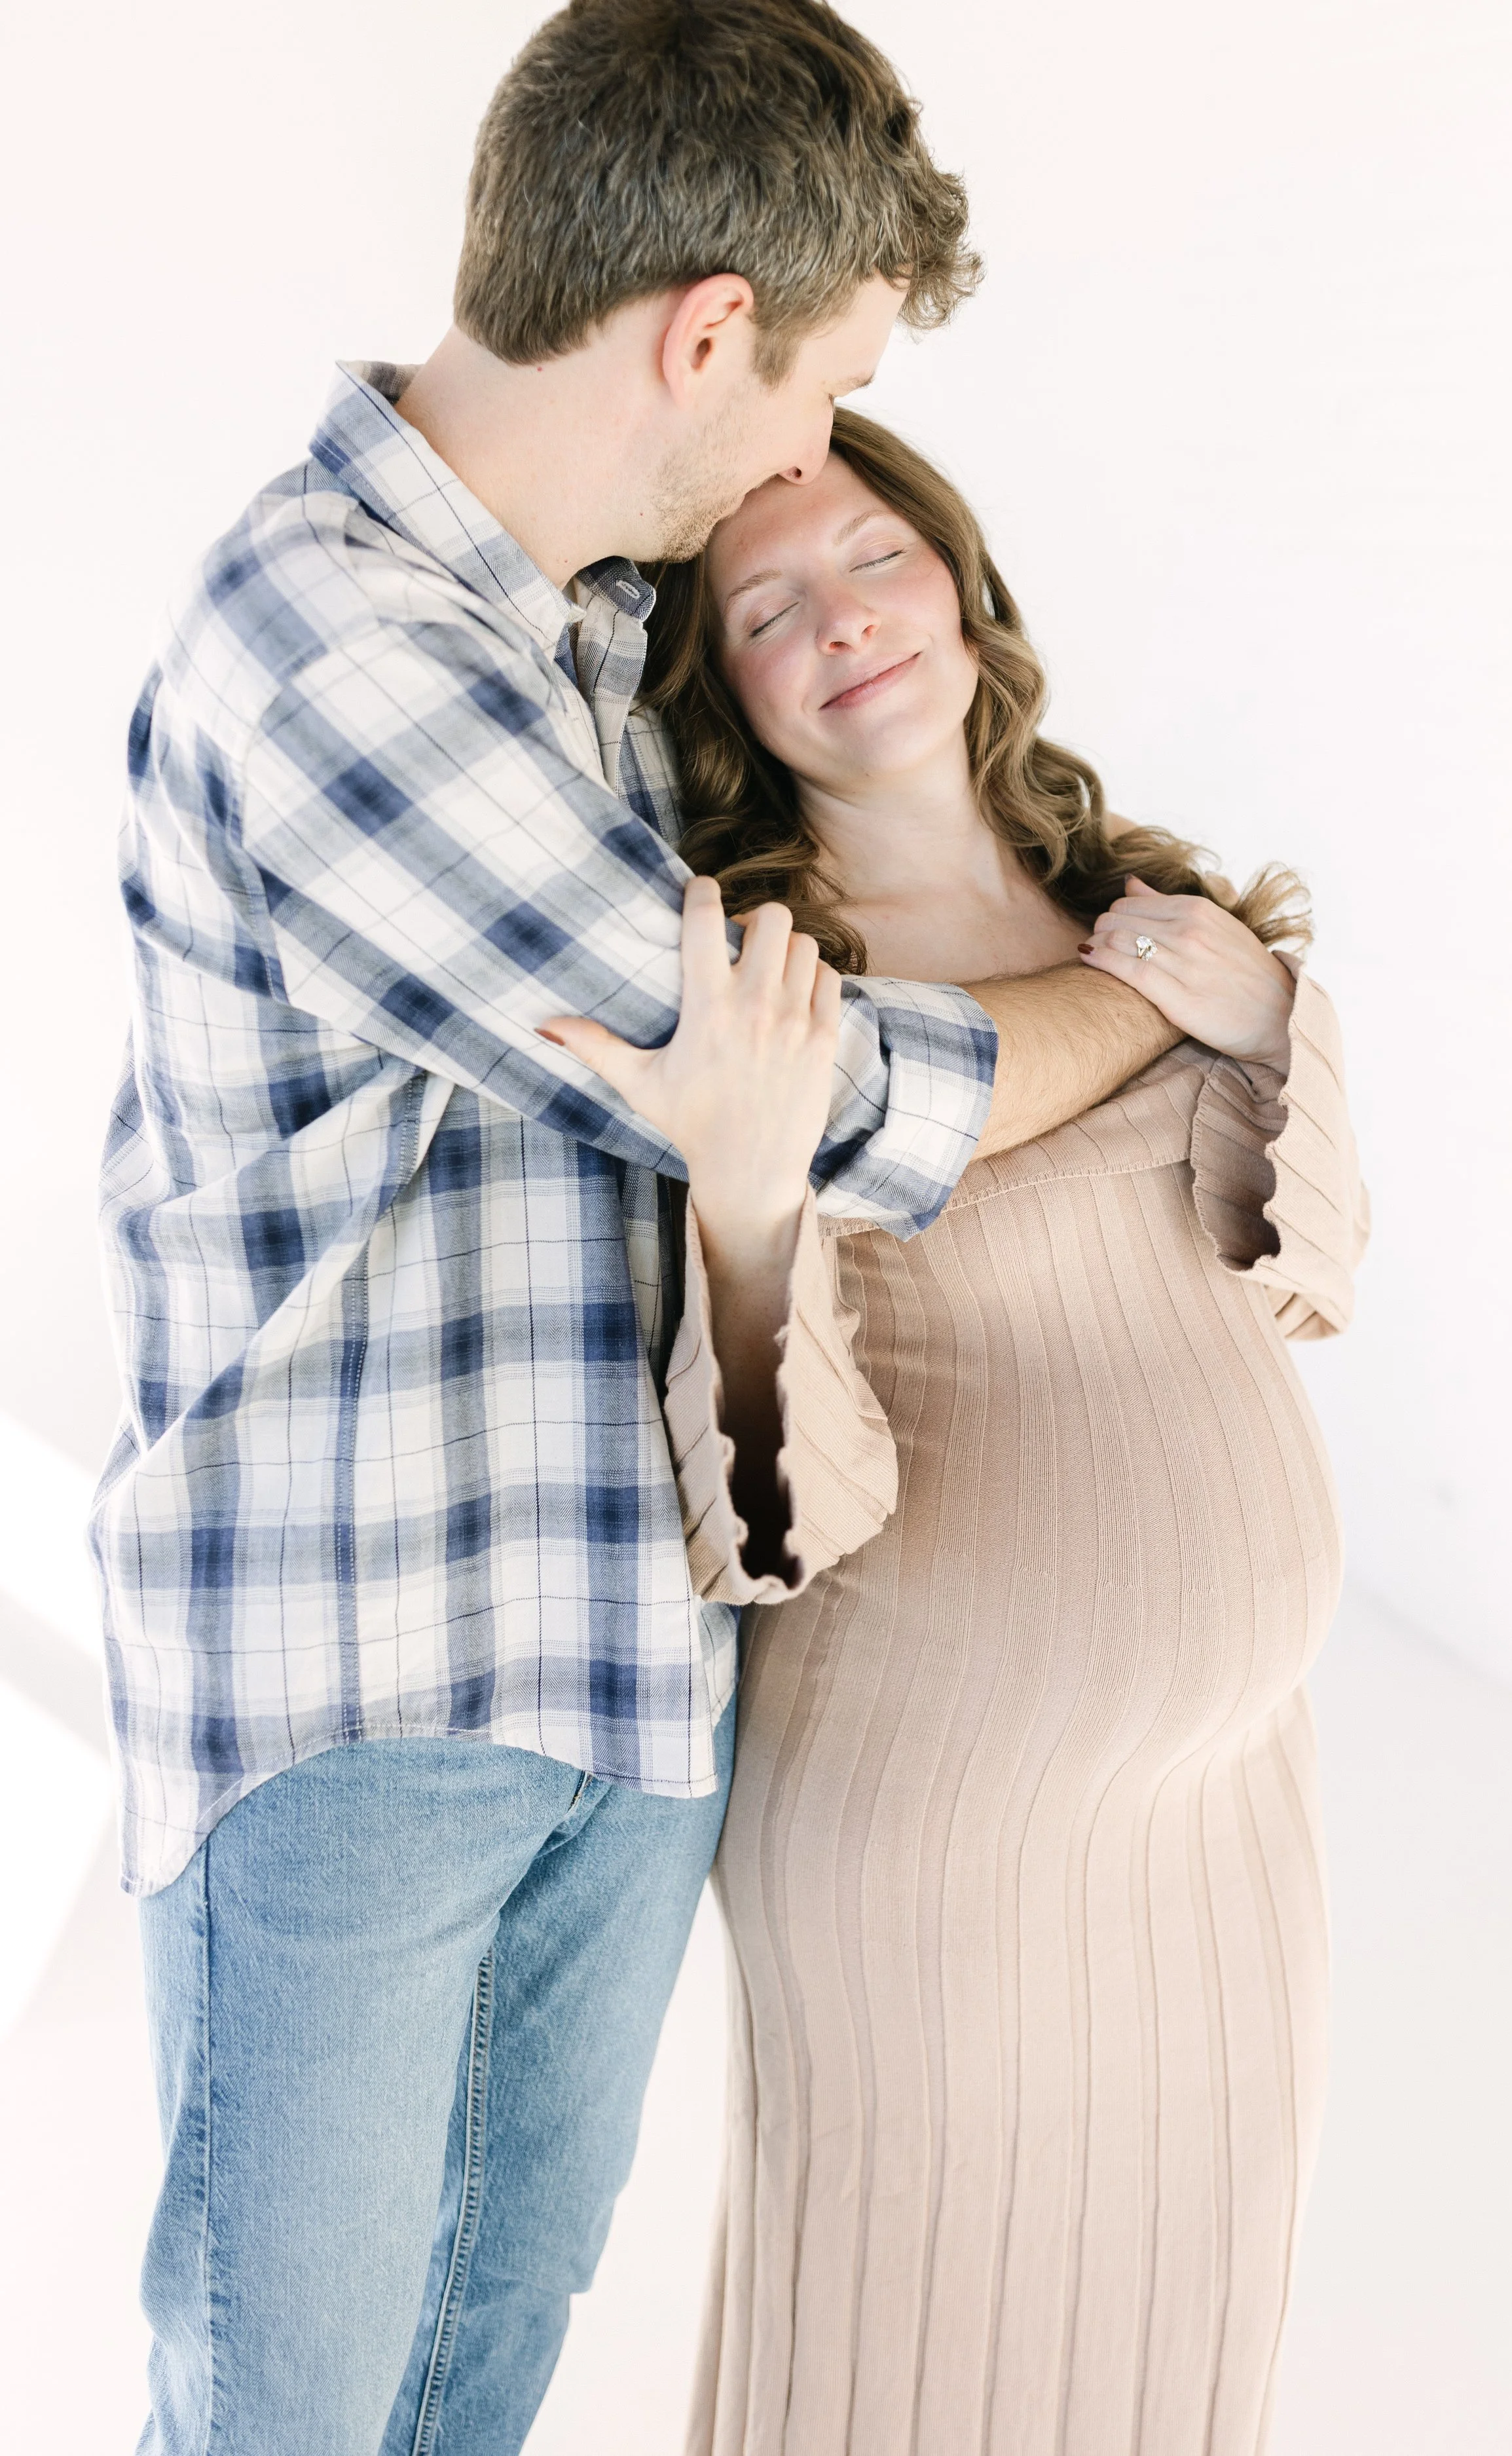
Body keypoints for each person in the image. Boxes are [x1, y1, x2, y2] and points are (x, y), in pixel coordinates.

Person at [92, 7, 1192, 2451]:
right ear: (708, 335)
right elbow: (838, 1092)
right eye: (815, 395)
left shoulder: (580, 628)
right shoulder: (334, 660)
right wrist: (1145, 987)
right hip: (359, 1690)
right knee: (281, 2419)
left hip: (618, 1677)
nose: (805, 461)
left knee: (466, 2402)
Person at [555, 409, 1369, 2455]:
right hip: (944, 1853)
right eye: (766, 607)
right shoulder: (776, 1000)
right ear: (725, 693)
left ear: (957, 575)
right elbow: (768, 1519)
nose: (840, 618)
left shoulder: (1142, 912)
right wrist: (743, 1214)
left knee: (1173, 2358)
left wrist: (1279, 1031)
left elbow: (1304, 1272)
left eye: (872, 556)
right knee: (912, 2354)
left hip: (1226, 1814)